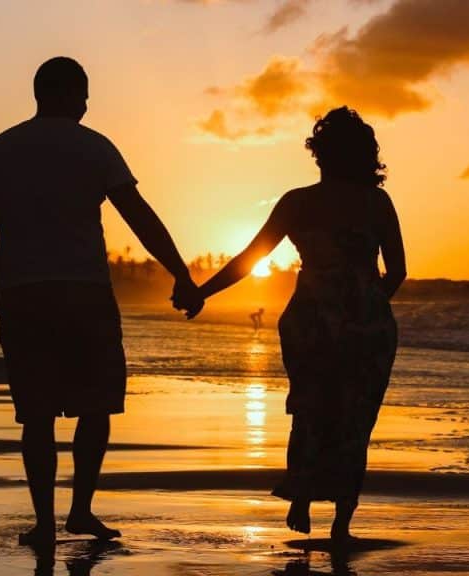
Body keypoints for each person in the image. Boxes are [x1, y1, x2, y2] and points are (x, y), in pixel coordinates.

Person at [0, 56, 203, 548]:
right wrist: (181, 273)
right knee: (96, 406)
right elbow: (140, 219)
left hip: (24, 296)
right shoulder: (95, 148)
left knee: (37, 415)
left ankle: (45, 524)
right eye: (84, 94)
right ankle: (81, 510)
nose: (87, 104)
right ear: (73, 95)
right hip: (85, 295)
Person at [176, 106, 406, 545]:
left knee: (310, 408)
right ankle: (342, 522)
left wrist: (201, 293)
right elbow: (397, 270)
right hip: (368, 326)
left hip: (311, 321)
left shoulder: (298, 201)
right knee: (356, 422)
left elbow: (249, 259)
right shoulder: (377, 202)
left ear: (318, 154)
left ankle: (301, 498)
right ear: (365, 156)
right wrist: (366, 304)